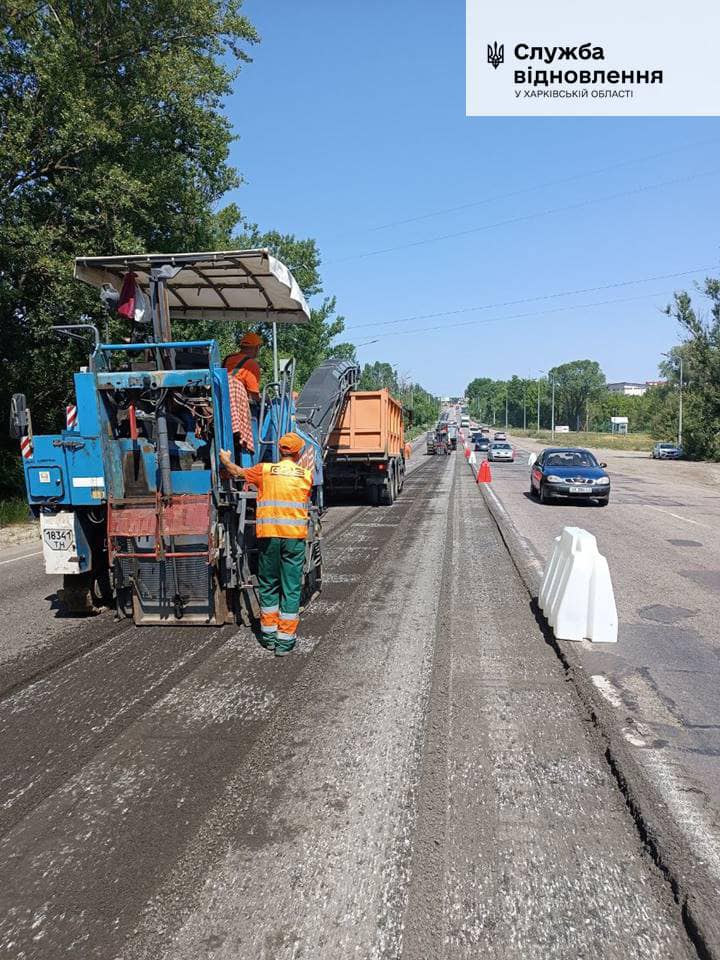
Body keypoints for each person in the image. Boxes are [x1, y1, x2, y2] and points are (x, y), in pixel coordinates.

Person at [219, 433, 313, 657]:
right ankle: (285, 642)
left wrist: (225, 459)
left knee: (268, 584)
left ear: (280, 451)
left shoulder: (265, 470)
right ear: (298, 453)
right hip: (294, 540)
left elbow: (237, 473)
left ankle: (268, 637)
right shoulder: (306, 475)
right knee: (291, 588)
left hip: (268, 537)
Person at [223, 331, 263, 404]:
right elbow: (253, 395)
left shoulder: (228, 358)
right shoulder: (252, 364)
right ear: (256, 348)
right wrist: (263, 399)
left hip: (224, 402)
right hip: (239, 404)